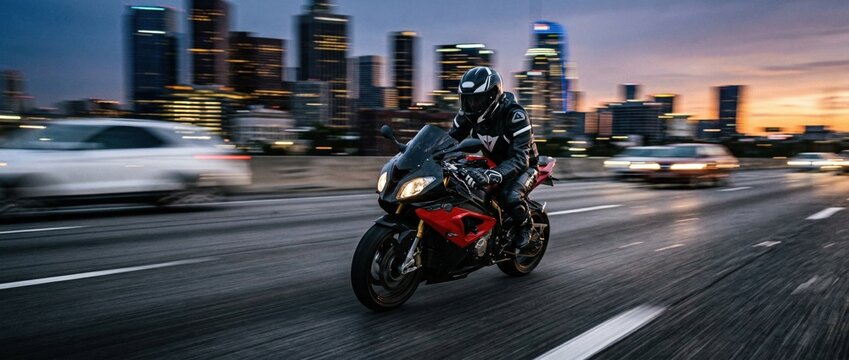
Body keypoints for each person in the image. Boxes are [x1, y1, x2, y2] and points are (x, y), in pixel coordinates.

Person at [448, 66, 540, 255]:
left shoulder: (515, 115)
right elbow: (449, 140)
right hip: (491, 163)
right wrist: (421, 151)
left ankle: (526, 226)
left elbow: (520, 158)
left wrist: (493, 174)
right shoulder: (467, 115)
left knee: (509, 195)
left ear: (492, 95)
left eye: (477, 99)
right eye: (467, 99)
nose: (472, 104)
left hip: (524, 166)